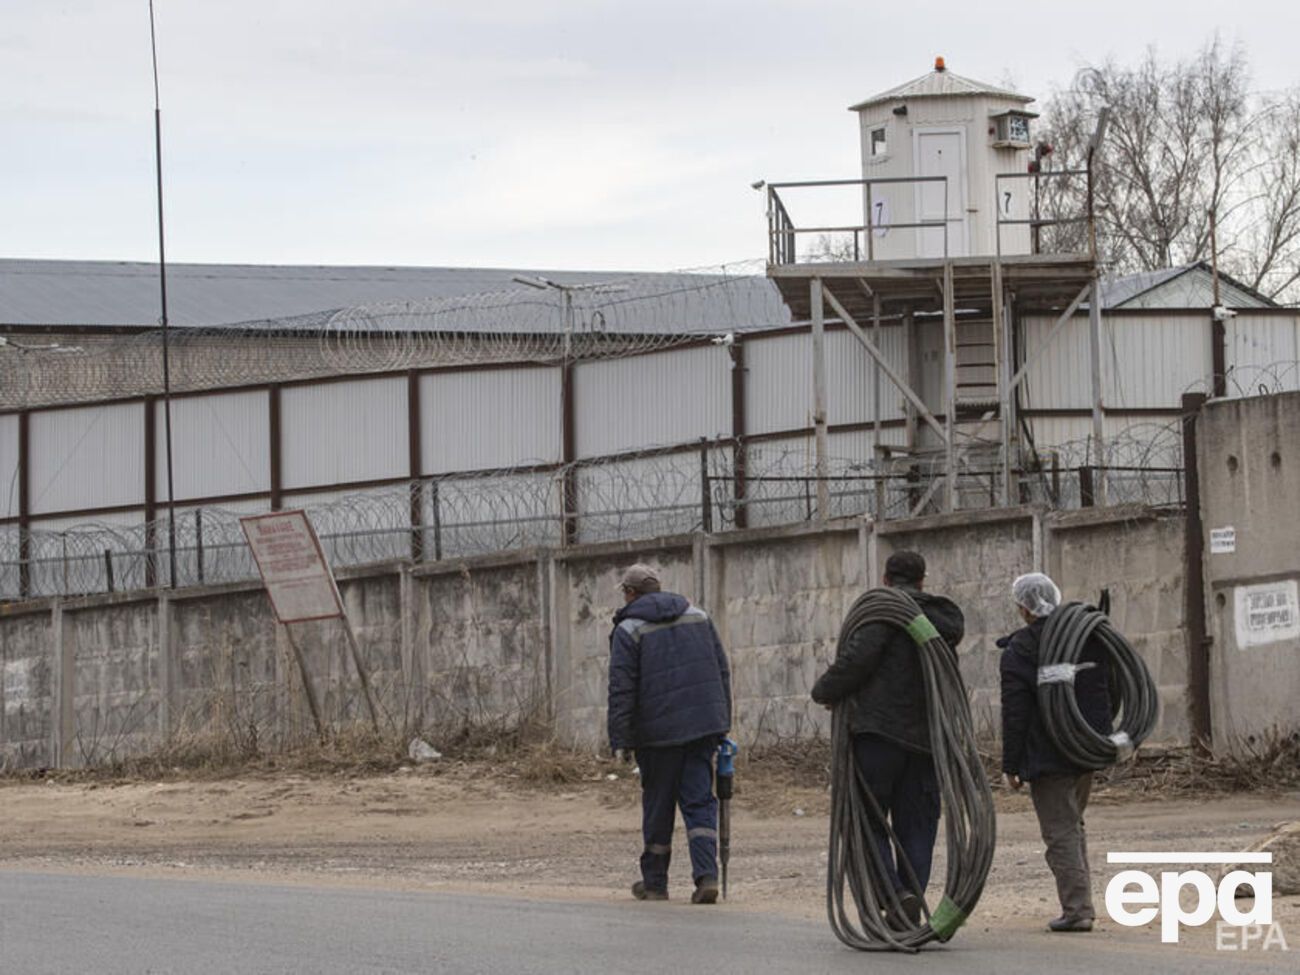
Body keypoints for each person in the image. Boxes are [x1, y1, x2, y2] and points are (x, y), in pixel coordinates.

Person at [810, 550, 964, 925]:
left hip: (878, 737)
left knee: (865, 821)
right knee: (917, 827)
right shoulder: (943, 623)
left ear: (885, 579)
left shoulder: (880, 615)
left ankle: (896, 896)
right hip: (928, 742)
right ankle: (907, 901)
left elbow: (857, 662)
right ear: (923, 581)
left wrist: (825, 692)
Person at [607, 563, 732, 904]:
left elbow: (621, 688)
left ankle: (655, 883)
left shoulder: (628, 628)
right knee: (699, 802)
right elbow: (721, 670)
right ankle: (707, 876)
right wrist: (721, 724)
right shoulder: (698, 616)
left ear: (630, 594)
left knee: (659, 805)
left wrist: (621, 739)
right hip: (702, 727)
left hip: (657, 733)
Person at [998, 572, 1112, 933]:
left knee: (1061, 831)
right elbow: (1107, 686)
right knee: (1072, 825)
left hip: (1049, 754)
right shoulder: (1087, 637)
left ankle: (1078, 910)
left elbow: (1015, 711)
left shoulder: (1022, 649)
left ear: (1024, 608)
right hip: (1086, 747)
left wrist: (1011, 764)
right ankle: (1081, 904)